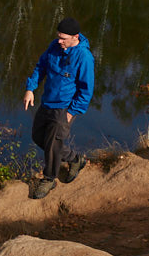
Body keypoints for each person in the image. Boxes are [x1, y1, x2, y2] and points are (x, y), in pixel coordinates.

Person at [22, 17, 95, 199]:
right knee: (39, 137)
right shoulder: (54, 47)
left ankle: (49, 179)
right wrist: (30, 88)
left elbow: (86, 90)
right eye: (58, 37)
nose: (59, 41)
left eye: (63, 38)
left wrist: (72, 112)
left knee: (53, 143)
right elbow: (41, 67)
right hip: (47, 102)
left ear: (75, 37)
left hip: (64, 107)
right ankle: (76, 159)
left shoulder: (84, 57)